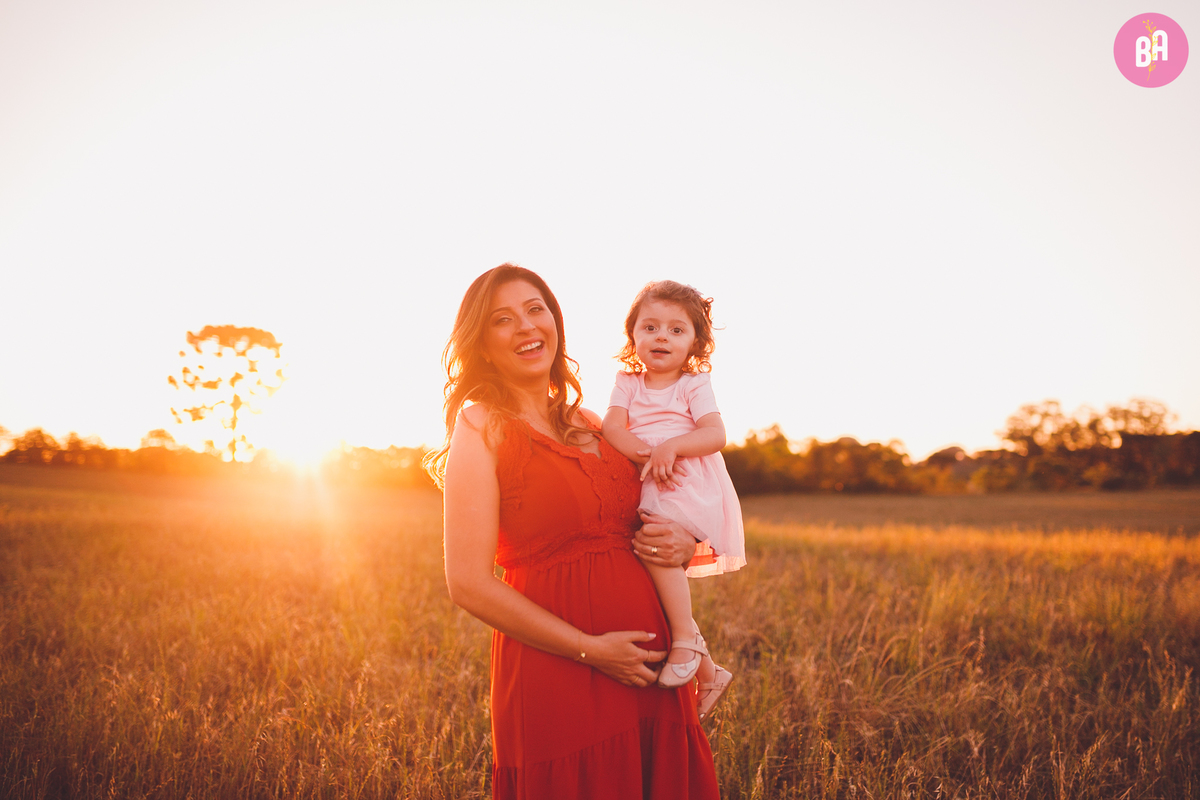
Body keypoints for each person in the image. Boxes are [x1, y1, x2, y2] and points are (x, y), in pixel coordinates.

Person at [426, 264, 721, 799]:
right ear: (482, 344)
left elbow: (663, 512)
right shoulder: (480, 426)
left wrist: (685, 547)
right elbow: (467, 583)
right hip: (557, 672)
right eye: (502, 319)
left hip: (651, 670)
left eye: (535, 309)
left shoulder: (600, 425)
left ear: (555, 322)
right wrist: (590, 649)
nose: (525, 326)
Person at [601, 281, 745, 721]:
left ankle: (685, 640)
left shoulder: (693, 385)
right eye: (650, 327)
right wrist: (645, 453)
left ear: (695, 343)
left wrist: (671, 448)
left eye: (676, 330)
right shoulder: (628, 383)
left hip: (684, 479)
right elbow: (613, 428)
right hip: (649, 473)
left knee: (660, 549)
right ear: (633, 335)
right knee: (650, 573)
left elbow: (715, 434)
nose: (661, 336)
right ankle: (709, 670)